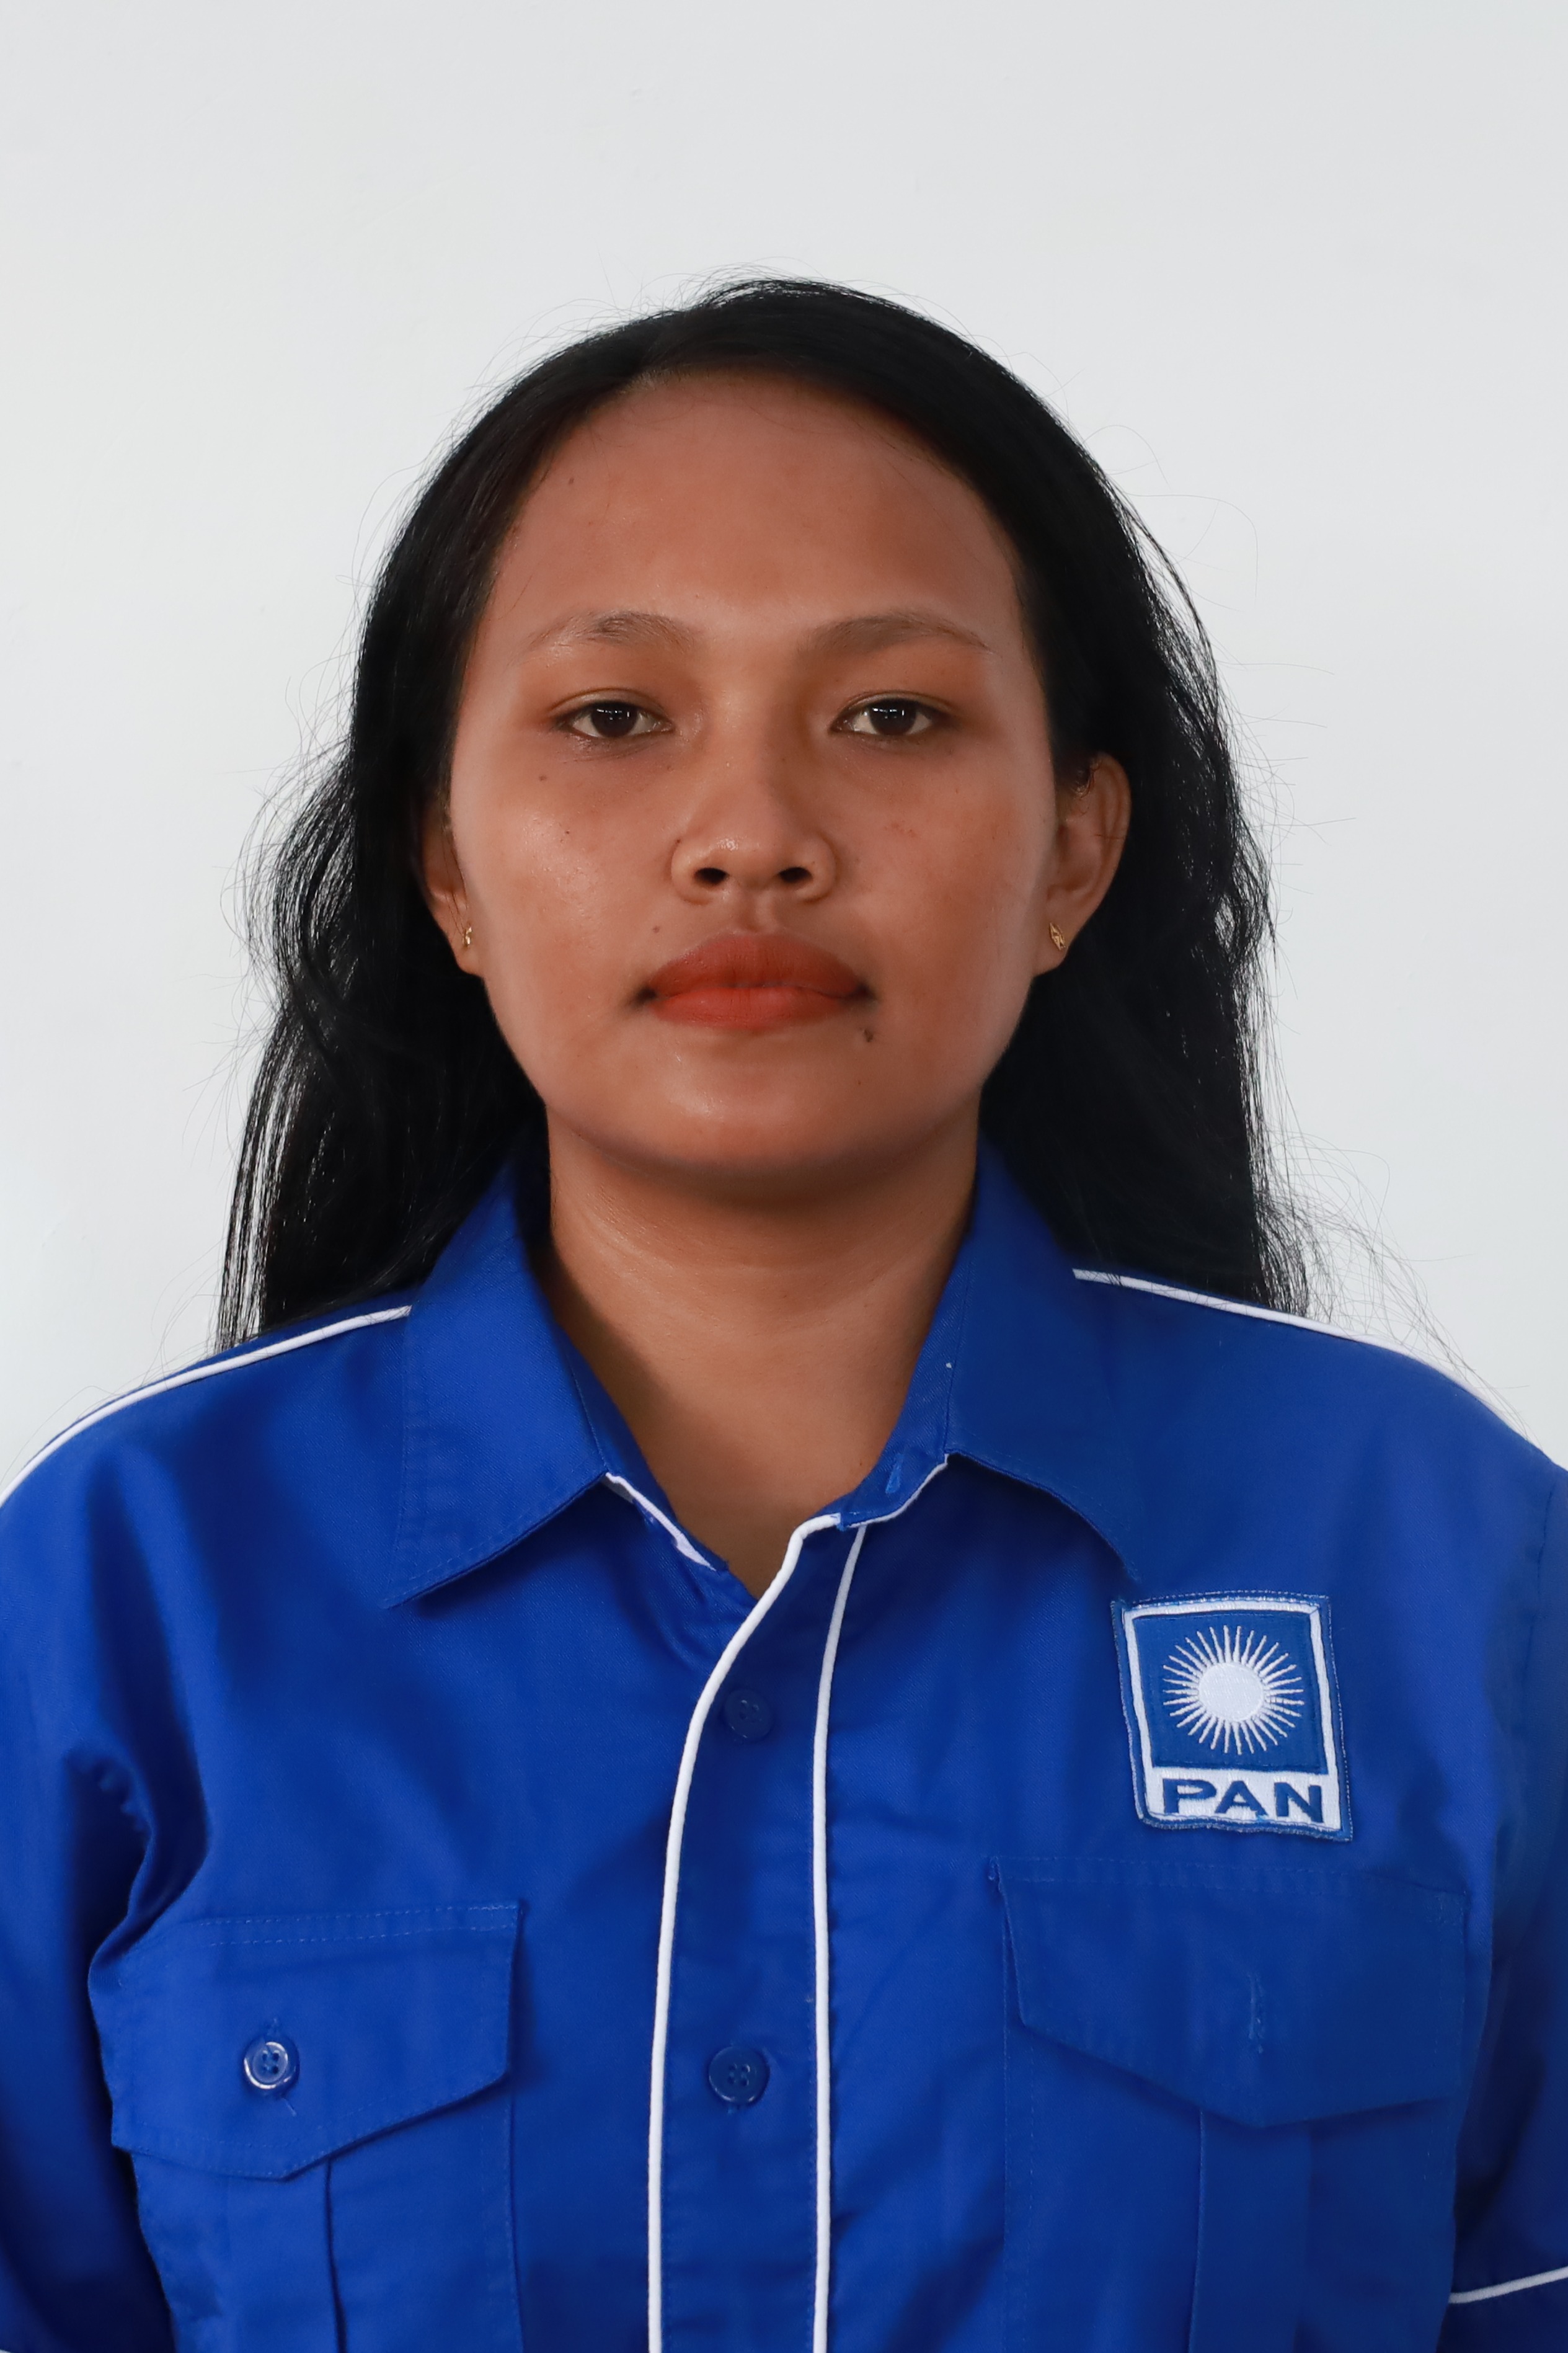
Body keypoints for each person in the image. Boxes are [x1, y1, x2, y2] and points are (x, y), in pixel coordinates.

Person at [0, 280, 1562, 2353]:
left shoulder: (1449, 1563)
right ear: (445, 863)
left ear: (1075, 848)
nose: (750, 836)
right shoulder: (126, 1588)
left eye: (891, 716)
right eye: (613, 718)